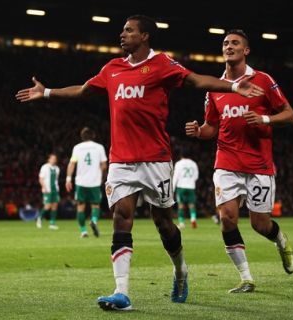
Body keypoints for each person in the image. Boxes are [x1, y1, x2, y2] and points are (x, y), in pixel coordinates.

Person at [16, 15, 264, 311]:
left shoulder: (162, 64)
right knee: (122, 216)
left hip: (155, 160)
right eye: (123, 30)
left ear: (144, 36)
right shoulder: (112, 68)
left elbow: (197, 80)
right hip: (121, 159)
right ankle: (121, 292)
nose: (122, 34)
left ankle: (181, 269)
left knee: (163, 223)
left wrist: (234, 88)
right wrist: (45, 92)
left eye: (129, 30)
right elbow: (83, 90)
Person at [185, 29, 293, 294]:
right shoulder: (215, 87)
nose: (229, 46)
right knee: (227, 218)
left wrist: (265, 119)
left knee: (260, 224)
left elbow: (290, 115)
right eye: (225, 43)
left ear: (246, 50)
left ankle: (280, 240)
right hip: (226, 162)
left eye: (235, 43)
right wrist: (200, 132)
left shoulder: (263, 80)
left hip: (259, 165)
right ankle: (246, 277)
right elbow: (212, 126)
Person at [66, 127, 108, 238]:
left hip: (81, 182)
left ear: (82, 137)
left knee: (80, 206)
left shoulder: (77, 148)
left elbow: (72, 163)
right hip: (94, 182)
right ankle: (93, 220)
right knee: (95, 205)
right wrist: (102, 175)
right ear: (93, 136)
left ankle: (83, 231)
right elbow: (104, 165)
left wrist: (68, 179)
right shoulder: (99, 147)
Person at [173, 148, 199, 229]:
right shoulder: (193, 164)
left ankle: (181, 223)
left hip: (181, 186)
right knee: (191, 205)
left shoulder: (178, 164)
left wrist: (172, 189)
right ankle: (193, 219)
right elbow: (196, 176)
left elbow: (175, 177)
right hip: (191, 186)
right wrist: (191, 181)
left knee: (181, 205)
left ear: (181, 155)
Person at [37, 153, 60, 230]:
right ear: (49, 159)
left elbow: (56, 180)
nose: (54, 160)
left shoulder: (57, 168)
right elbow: (41, 178)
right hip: (47, 189)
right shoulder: (44, 167)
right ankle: (39, 218)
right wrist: (44, 187)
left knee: (55, 206)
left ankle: (52, 223)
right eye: (52, 158)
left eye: (55, 159)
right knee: (47, 206)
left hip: (55, 190)